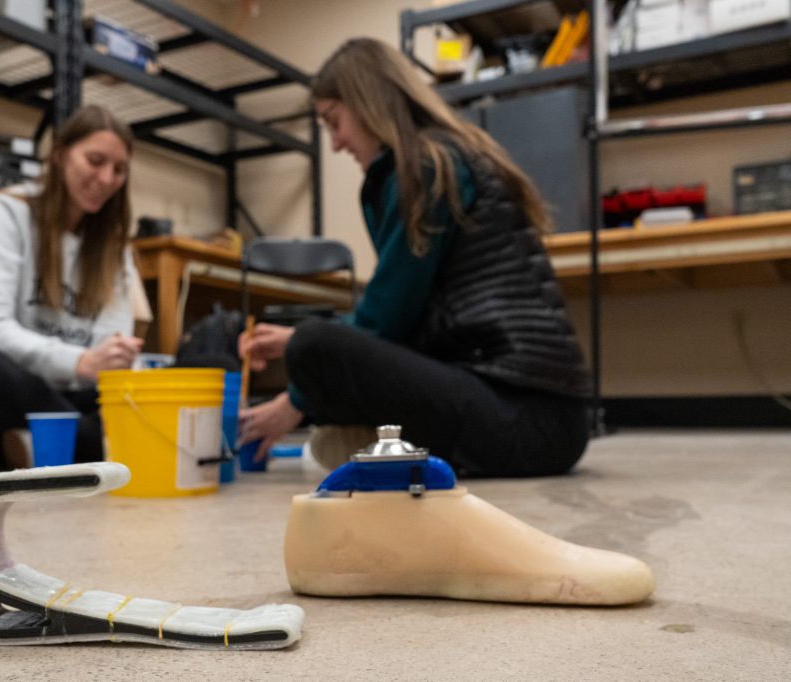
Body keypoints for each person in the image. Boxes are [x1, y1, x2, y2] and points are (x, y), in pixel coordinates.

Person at [238, 38, 592, 478]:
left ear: (367, 102)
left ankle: (382, 447)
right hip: (542, 416)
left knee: (315, 343)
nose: (335, 144)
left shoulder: (427, 165)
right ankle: (386, 447)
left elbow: (386, 320)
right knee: (327, 396)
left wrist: (292, 396)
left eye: (334, 122)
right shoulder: (443, 156)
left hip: (528, 420)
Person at [0, 105, 148, 471]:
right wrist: (78, 361)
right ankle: (87, 446)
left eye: (119, 170)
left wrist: (114, 361)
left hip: (69, 396)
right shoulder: (1, 214)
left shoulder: (112, 247)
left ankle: (50, 449)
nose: (107, 178)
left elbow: (111, 348)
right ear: (60, 155)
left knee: (203, 370)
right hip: (3, 399)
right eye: (95, 161)